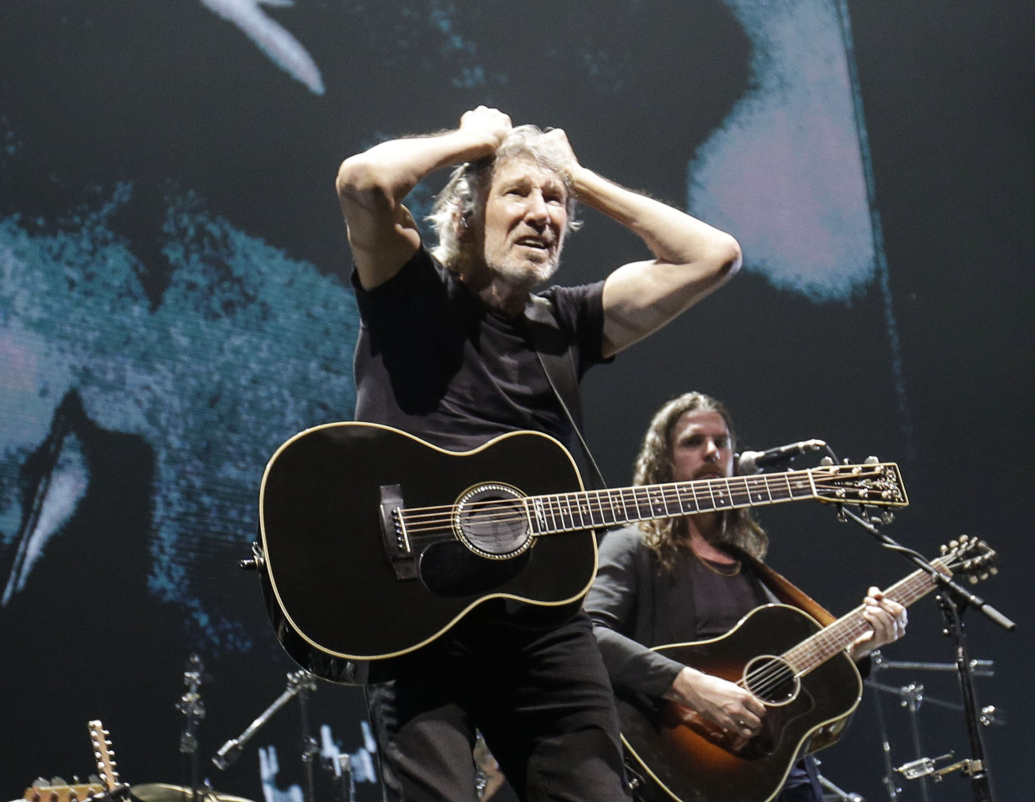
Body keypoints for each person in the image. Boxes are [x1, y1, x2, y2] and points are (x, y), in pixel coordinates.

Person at [334, 106, 741, 802]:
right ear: (465, 215)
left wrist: (577, 176)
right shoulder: (410, 289)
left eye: (554, 201)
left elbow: (715, 255)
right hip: (416, 606)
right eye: (518, 193)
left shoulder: (568, 323)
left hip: (540, 617)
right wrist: (478, 142)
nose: (542, 213)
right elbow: (362, 182)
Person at [585, 392, 909, 802]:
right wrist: (687, 685)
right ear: (663, 461)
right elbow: (588, 636)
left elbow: (789, 687)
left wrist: (857, 650)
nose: (711, 452)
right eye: (693, 442)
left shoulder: (748, 566)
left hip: (777, 776)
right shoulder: (631, 546)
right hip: (683, 774)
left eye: (721, 442)